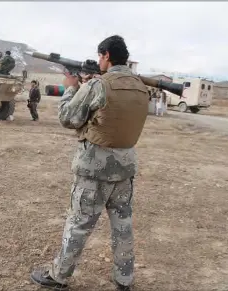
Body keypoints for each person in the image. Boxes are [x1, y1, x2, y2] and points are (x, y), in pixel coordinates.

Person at [30, 35, 149, 291]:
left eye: (100, 56)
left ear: (106, 55)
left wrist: (73, 87)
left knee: (79, 224)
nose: (99, 60)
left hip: (95, 171)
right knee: (123, 228)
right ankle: (124, 279)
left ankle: (59, 276)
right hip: (125, 169)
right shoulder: (141, 87)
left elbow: (68, 118)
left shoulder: (99, 86)